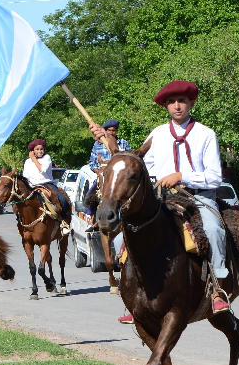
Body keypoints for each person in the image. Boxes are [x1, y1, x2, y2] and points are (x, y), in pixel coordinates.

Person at [91, 80, 229, 324]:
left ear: (191, 103)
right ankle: (135, 297)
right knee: (128, 234)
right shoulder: (157, 134)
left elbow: (215, 176)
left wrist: (181, 176)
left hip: (198, 196)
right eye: (172, 102)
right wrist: (106, 140)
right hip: (163, 198)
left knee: (212, 228)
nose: (177, 106)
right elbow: (139, 165)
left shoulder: (206, 134)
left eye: (182, 101)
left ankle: (218, 286)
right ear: (166, 106)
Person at [22, 138, 71, 235]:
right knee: (20, 202)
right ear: (32, 151)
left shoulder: (47, 158)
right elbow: (25, 176)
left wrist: (34, 159)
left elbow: (43, 170)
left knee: (62, 199)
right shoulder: (27, 162)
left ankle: (63, 222)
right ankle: (21, 223)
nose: (40, 151)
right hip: (32, 186)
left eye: (41, 149)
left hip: (46, 184)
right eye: (37, 149)